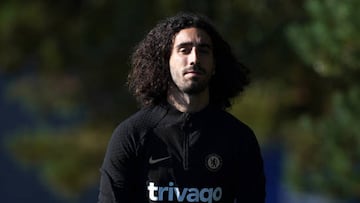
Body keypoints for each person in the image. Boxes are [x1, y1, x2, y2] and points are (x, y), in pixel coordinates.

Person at [98, 12, 266, 203]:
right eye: (184, 50)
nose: (194, 59)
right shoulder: (132, 135)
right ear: (165, 60)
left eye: (203, 50)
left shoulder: (239, 138)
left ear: (215, 65)